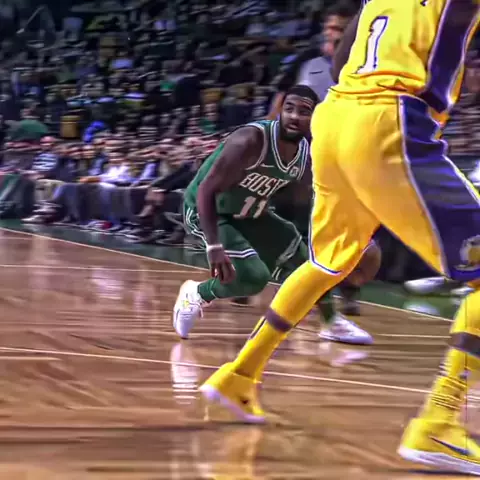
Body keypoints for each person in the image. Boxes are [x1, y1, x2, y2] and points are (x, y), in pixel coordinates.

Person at [200, 0, 480, 474]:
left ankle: (238, 375)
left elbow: (339, 61)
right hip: (391, 118)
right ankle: (438, 423)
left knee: (328, 262)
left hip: (335, 117)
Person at [173, 85, 380, 345]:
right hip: (208, 211)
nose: (294, 116)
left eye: (304, 111)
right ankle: (196, 293)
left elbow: (305, 205)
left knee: (305, 259)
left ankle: (331, 322)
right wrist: (214, 246)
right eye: (289, 108)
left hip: (250, 213)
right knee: (254, 278)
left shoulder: (306, 156)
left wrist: (344, 235)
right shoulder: (249, 140)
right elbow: (206, 191)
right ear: (280, 111)